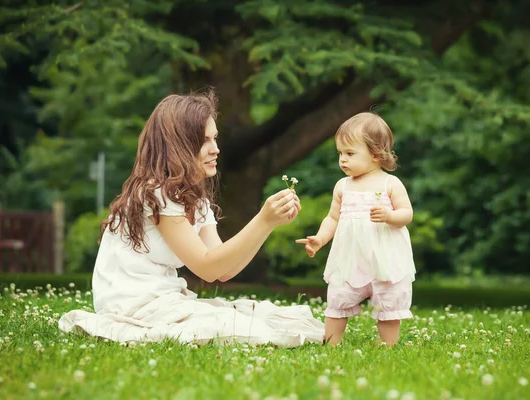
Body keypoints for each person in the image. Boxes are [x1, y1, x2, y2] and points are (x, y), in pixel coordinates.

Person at [59, 89, 324, 347]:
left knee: (255, 317)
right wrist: (263, 220)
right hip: (132, 304)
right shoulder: (157, 194)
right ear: (178, 146)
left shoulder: (195, 200)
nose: (216, 149)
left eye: (215, 138)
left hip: (163, 298)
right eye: (204, 141)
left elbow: (224, 269)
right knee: (233, 324)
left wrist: (270, 224)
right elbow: (207, 267)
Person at [296, 112, 416, 346]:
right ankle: (332, 343)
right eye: (340, 153)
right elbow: (332, 218)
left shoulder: (390, 183)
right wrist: (320, 239)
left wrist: (390, 216)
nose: (342, 159)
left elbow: (407, 214)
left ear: (376, 154)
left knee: (388, 299)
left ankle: (388, 344)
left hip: (384, 257)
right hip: (350, 258)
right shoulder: (343, 186)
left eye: (350, 153)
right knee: (339, 296)